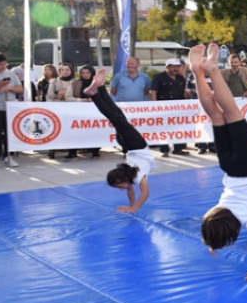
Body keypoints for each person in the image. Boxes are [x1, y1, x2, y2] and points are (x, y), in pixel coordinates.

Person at [183, 44, 247, 281]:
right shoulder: (215, 212)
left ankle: (211, 69)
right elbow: (212, 225)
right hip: (229, 167)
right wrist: (212, 241)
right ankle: (197, 72)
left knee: (232, 112)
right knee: (216, 116)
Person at [82, 68, 156, 214]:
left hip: (135, 145)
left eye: (119, 186)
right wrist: (132, 205)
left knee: (115, 117)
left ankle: (95, 94)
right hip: (128, 145)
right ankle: (101, 86)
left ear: (123, 178)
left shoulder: (136, 175)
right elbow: (134, 191)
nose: (122, 189)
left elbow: (144, 193)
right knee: (117, 115)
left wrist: (133, 207)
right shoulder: (132, 176)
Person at [151, 58, 191, 157]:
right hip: (163, 108)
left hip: (179, 108)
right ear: (167, 67)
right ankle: (164, 150)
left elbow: (184, 92)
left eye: (177, 67)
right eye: (173, 66)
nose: (175, 69)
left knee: (179, 128)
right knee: (163, 129)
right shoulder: (159, 77)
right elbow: (153, 92)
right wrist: (154, 106)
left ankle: (178, 149)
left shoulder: (181, 78)